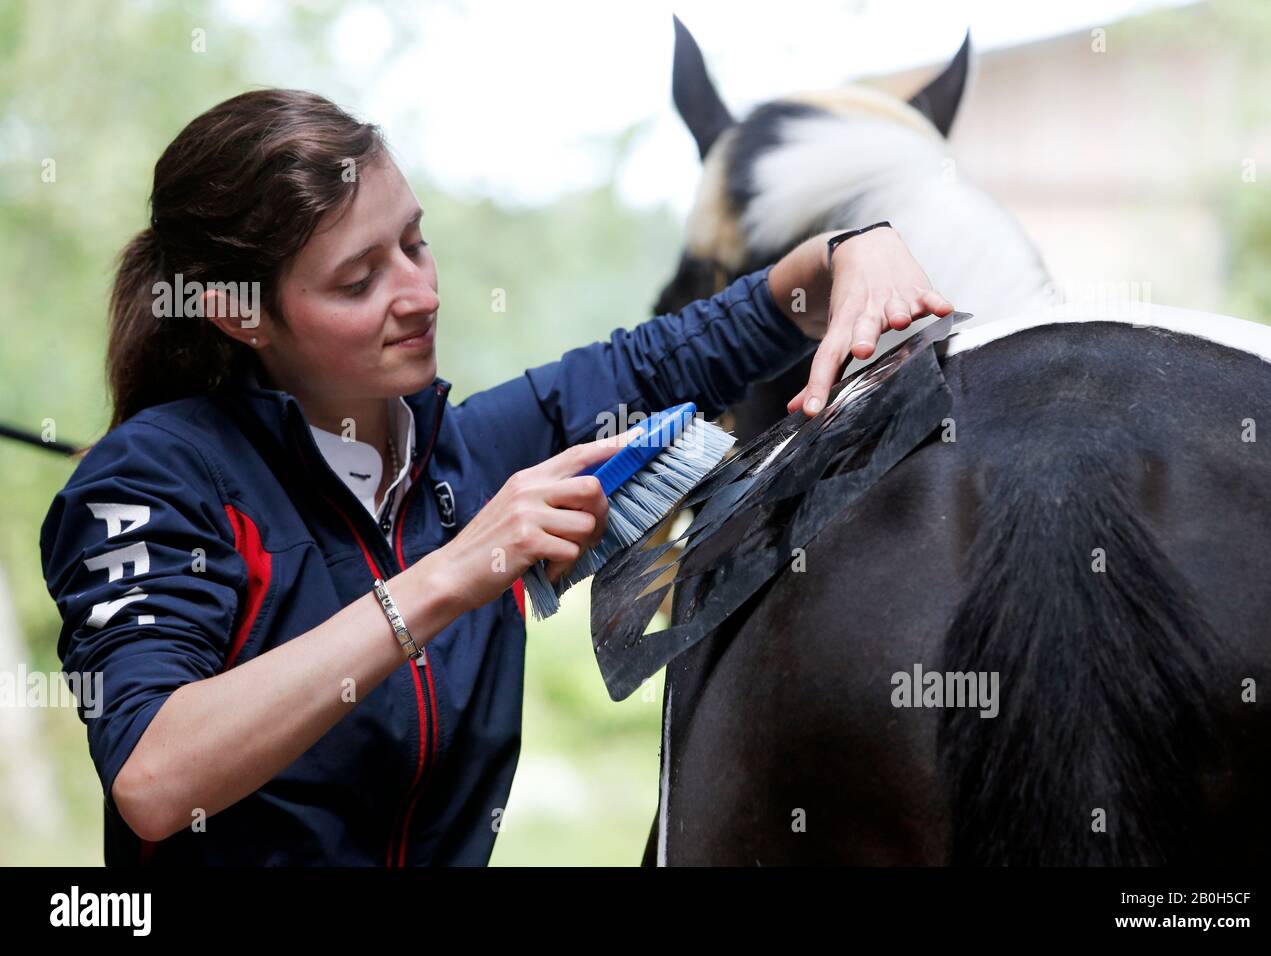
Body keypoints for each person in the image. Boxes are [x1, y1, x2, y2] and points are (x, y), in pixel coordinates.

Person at [39, 88, 952, 866]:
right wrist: (448, 574)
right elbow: (154, 778)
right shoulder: (151, 480)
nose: (420, 293)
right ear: (242, 318)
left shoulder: (469, 452)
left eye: (415, 242)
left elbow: (703, 340)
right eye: (359, 279)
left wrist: (849, 250)